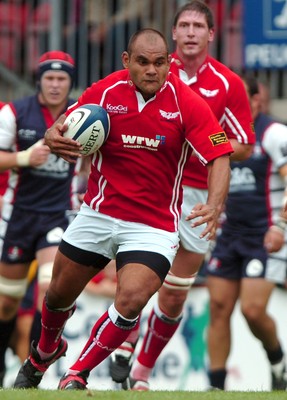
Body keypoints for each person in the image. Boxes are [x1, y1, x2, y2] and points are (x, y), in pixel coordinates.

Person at [13, 28, 233, 391]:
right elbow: (61, 126)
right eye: (143, 62)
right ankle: (44, 353)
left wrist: (214, 203)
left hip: (153, 225)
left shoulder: (187, 101)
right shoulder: (104, 91)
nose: (152, 70)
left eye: (160, 63)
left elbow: (219, 154)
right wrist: (53, 136)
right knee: (56, 296)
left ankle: (76, 374)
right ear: (126, 61)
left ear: (169, 63)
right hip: (98, 214)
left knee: (130, 300)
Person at [110, 1, 255, 391]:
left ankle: (141, 371)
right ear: (173, 34)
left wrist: (206, 138)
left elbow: (242, 143)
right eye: (184, 25)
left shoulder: (229, 84)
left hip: (197, 196)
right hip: (152, 186)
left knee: (174, 296)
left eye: (198, 26)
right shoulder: (151, 70)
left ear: (211, 35)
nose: (191, 32)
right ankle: (123, 346)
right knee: (136, 278)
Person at [0, 50, 78, 387]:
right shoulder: (14, 112)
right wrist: (24, 157)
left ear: (70, 82)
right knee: (6, 304)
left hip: (57, 216)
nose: (56, 85)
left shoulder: (84, 115)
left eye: (62, 79)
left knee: (51, 291)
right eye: (50, 78)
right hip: (17, 217)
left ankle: (34, 369)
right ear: (39, 80)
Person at [205, 74, 287, 391]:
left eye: (246, 98)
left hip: (265, 236)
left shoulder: (274, 133)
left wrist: (281, 227)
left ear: (257, 100)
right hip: (228, 236)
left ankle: (278, 362)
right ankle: (216, 387)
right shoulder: (219, 134)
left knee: (252, 311)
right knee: (218, 309)